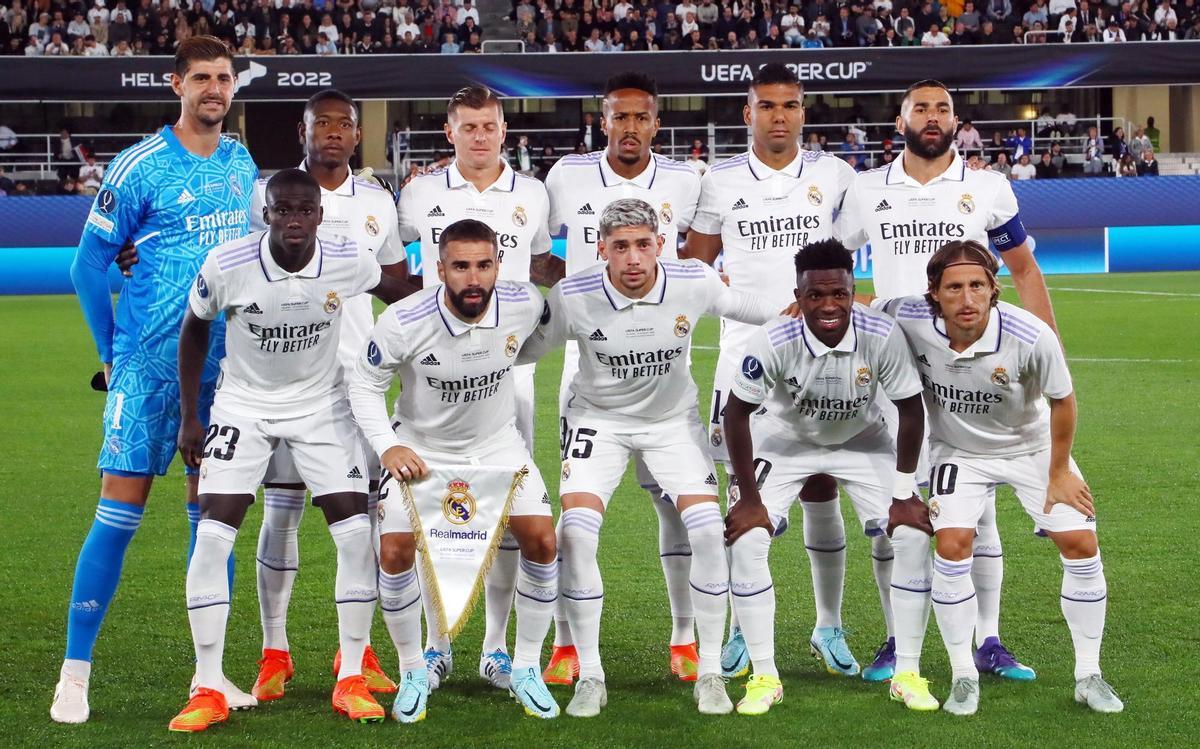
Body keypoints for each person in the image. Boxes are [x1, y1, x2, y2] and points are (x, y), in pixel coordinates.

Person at [53, 36, 259, 725]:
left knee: (215, 522)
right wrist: (112, 354)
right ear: (176, 83)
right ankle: (74, 674)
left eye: (224, 77)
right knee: (119, 512)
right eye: (201, 76)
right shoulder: (138, 166)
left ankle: (211, 675)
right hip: (146, 368)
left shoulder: (239, 161)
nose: (214, 88)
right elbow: (88, 265)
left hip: (222, 373)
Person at [837, 78, 1060, 710]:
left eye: (942, 109)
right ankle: (895, 637)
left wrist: (1049, 355)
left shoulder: (987, 186)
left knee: (979, 511)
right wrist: (865, 311)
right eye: (920, 109)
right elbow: (833, 262)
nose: (931, 118)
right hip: (890, 373)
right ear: (900, 119)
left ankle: (988, 639)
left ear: (956, 121)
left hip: (970, 374)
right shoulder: (866, 188)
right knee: (895, 512)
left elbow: (1021, 269)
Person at [520, 198, 784, 717]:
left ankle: (709, 671)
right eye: (620, 247)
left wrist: (808, 308)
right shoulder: (573, 295)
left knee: (708, 531)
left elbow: (749, 308)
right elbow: (527, 348)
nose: (634, 258)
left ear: (661, 245)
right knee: (574, 532)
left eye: (644, 244)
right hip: (598, 420)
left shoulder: (694, 281)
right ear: (602, 251)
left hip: (671, 423)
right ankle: (590, 675)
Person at [170, 169, 409, 731]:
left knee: (355, 535)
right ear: (267, 213)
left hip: (323, 407)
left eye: (305, 210)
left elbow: (399, 292)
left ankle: (350, 674)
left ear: (320, 216)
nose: (294, 220)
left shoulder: (349, 259)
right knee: (212, 536)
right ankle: (208, 684)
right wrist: (190, 416)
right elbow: (194, 327)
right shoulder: (229, 264)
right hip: (242, 407)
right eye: (283, 210)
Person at [682, 64, 882, 682]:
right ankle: (744, 631)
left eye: (790, 105)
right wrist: (746, 305)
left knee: (823, 483)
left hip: (822, 354)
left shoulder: (835, 175)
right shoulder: (716, 182)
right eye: (766, 105)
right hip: (744, 351)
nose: (779, 116)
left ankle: (829, 626)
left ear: (803, 112)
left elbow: (846, 258)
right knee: (743, 496)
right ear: (748, 112)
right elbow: (695, 266)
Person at [876, 240, 1123, 716]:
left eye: (976, 286)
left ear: (994, 289)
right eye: (953, 288)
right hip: (958, 453)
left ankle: (1089, 675)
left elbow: (1064, 402)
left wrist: (1058, 473)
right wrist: (797, 306)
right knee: (950, 546)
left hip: (1032, 448)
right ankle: (963, 676)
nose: (966, 299)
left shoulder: (1031, 335)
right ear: (933, 294)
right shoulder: (909, 317)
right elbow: (866, 303)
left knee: (1080, 543)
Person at [348, 219, 562, 721]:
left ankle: (524, 666)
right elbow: (363, 385)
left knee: (543, 540)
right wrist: (388, 446)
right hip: (422, 448)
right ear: (439, 268)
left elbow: (540, 340)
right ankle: (413, 670)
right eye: (460, 266)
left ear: (497, 267)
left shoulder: (524, 303)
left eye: (483, 265)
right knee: (395, 549)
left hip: (496, 445)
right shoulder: (404, 320)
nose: (473, 278)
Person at [542, 71, 702, 688]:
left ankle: (685, 636)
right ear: (601, 121)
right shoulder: (566, 177)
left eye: (641, 117)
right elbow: (537, 251)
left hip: (665, 377)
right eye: (618, 116)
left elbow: (701, 257)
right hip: (588, 378)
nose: (629, 127)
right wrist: (577, 291)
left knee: (675, 505)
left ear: (656, 123)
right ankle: (565, 643)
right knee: (575, 514)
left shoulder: (687, 182)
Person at [721, 239, 928, 715]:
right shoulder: (774, 337)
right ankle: (764, 676)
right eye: (816, 295)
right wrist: (749, 498)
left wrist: (902, 493)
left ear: (854, 290)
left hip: (862, 439)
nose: (829, 305)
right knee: (747, 537)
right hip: (785, 439)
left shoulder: (882, 332)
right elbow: (737, 415)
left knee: (912, 535)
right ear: (799, 293)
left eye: (840, 293)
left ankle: (908, 671)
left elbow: (910, 410)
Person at [396, 85, 554, 692]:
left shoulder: (533, 194)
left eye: (489, 126)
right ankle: (437, 646)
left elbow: (542, 267)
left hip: (511, 373)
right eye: (469, 127)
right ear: (450, 131)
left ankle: (495, 647)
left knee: (512, 512)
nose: (480, 136)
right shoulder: (419, 193)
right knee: (435, 509)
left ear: (504, 131)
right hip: (435, 374)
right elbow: (395, 263)